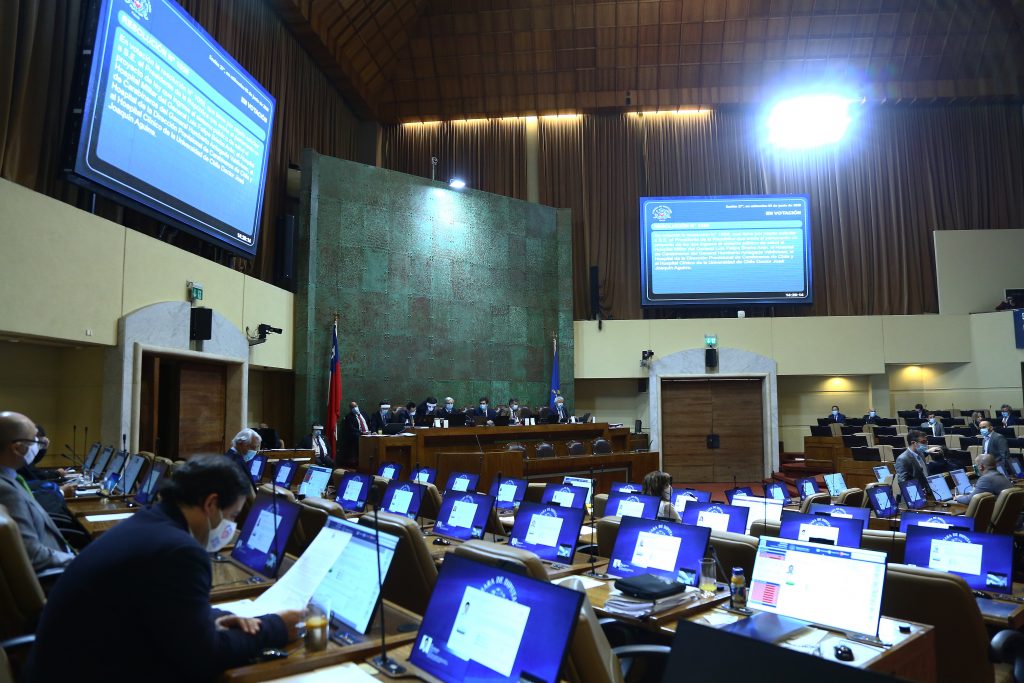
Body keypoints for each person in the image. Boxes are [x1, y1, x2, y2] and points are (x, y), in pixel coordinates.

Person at [23, 454, 302, 683]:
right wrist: (276, 626)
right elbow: (203, 657)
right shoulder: (180, 552)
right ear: (211, 503)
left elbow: (167, 609)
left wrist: (219, 616)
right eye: (232, 515)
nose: (230, 526)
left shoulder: (148, 522)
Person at [0, 411, 76, 572]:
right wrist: (80, 561)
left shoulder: (10, 477)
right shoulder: (6, 491)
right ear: (17, 448)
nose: (39, 443)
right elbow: (32, 555)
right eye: (33, 439)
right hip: (57, 572)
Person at [341, 402, 369, 467]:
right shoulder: (349, 416)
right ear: (350, 409)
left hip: (369, 433)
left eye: (355, 406)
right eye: (352, 407)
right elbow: (351, 428)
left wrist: (372, 431)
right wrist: (361, 432)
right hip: (358, 434)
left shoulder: (363, 413)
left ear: (357, 406)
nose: (354, 408)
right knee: (356, 437)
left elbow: (369, 422)